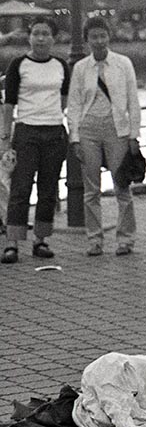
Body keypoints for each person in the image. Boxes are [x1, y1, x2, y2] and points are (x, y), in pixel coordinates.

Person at [66, 17, 142, 257]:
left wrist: (133, 134)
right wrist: (75, 137)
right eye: (93, 37)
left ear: (109, 36)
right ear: (87, 40)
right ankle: (94, 240)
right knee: (91, 190)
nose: (99, 41)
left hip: (116, 128)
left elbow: (133, 101)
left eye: (102, 36)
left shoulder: (123, 64)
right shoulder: (80, 68)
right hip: (88, 129)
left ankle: (125, 239)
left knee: (122, 186)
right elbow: (74, 104)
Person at [2, 16, 70, 264]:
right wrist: (6, 136)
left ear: (53, 38)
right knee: (21, 188)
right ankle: (12, 243)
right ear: (30, 37)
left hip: (53, 131)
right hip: (26, 131)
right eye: (36, 33)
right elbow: (10, 103)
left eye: (46, 34)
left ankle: (41, 240)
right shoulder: (18, 65)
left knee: (48, 188)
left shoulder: (61, 66)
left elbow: (64, 100)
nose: (41, 38)